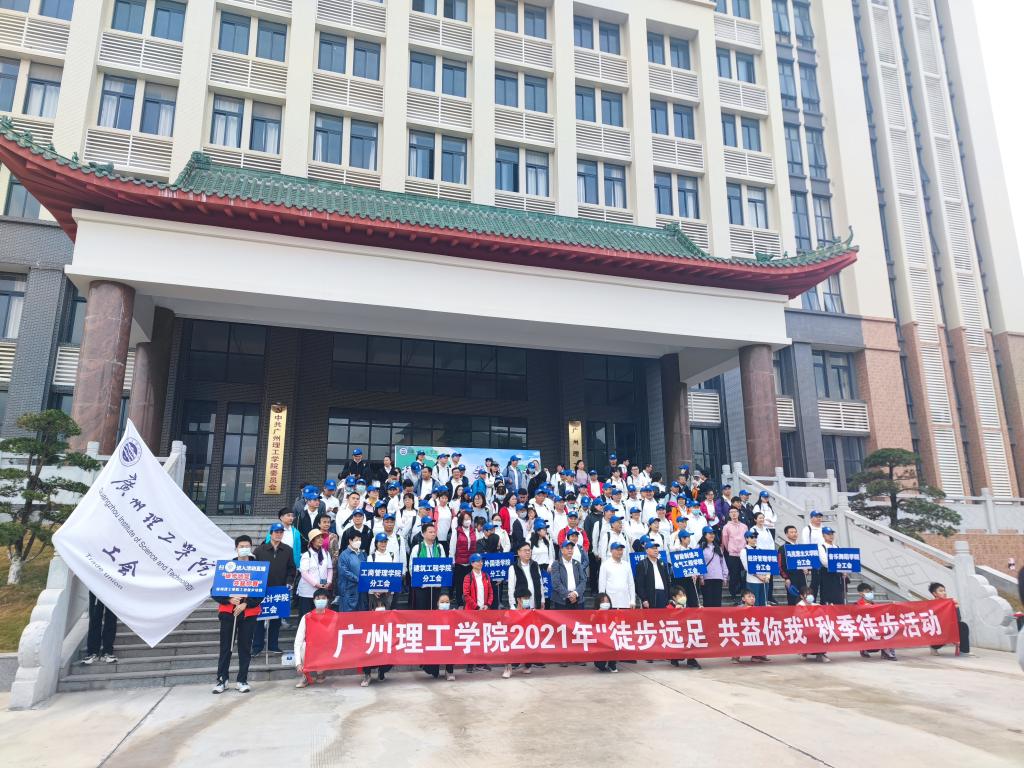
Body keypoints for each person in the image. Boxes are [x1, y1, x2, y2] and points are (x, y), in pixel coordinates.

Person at [213, 536, 263, 694]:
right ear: (236, 548)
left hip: (248, 614)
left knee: (245, 647)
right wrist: (228, 599)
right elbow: (215, 591)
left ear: (251, 547)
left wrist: (246, 603)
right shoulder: (227, 567)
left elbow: (261, 591)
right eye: (241, 546)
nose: (244, 548)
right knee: (226, 647)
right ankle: (222, 679)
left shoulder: (258, 568)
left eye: (247, 546)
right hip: (229, 613)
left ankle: (242, 680)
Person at [252, 522, 296, 655]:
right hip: (262, 590)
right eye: (276, 532)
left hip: (279, 590)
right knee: (259, 619)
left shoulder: (287, 550)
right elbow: (254, 569)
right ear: (270, 533)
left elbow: (292, 569)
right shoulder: (260, 550)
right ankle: (257, 646)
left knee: (276, 619)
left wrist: (289, 582)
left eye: (281, 532)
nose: (278, 534)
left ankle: (273, 645)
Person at [504, 541, 544, 679]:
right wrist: (513, 606)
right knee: (518, 635)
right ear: (519, 552)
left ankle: (528, 664)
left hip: (534, 605)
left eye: (529, 550)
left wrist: (542, 600)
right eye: (525, 550)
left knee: (531, 634)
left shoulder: (535, 565)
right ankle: (513, 664)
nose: (528, 552)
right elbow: (511, 588)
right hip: (520, 606)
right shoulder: (513, 568)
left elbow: (540, 583)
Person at [295, 588, 332, 688]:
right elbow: (298, 641)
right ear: (314, 600)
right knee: (303, 646)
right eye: (318, 598)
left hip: (326, 648)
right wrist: (298, 663)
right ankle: (305, 676)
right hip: (311, 648)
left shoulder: (333, 616)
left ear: (328, 600)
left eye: (323, 598)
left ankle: (321, 673)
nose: (320, 601)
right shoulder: (306, 617)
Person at [409, 520, 446, 609]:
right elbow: (411, 566)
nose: (433, 534)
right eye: (430, 532)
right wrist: (418, 581)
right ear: (423, 534)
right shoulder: (417, 548)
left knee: (434, 609)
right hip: (421, 586)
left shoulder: (439, 547)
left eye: (434, 532)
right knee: (422, 610)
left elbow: (444, 565)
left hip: (436, 584)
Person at [856, 583, 897, 661]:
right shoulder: (856, 605)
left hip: (876, 626)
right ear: (861, 593)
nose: (870, 593)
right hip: (865, 628)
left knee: (889, 629)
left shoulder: (875, 604)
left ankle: (886, 652)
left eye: (870, 591)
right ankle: (864, 649)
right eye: (867, 591)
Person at [297, 530, 333, 619]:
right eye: (318, 538)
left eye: (321, 537)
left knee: (320, 617)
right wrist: (316, 584)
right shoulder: (307, 555)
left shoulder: (326, 553)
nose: (321, 539)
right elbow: (304, 573)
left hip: (321, 591)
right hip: (307, 592)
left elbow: (329, 569)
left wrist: (328, 581)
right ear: (312, 541)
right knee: (306, 616)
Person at [928, 582, 971, 655]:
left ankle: (964, 650)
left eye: (944, 590)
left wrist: (956, 608)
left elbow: (958, 619)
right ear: (934, 593)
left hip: (949, 626)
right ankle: (933, 647)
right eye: (941, 591)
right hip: (938, 629)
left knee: (963, 625)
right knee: (940, 633)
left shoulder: (950, 602)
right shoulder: (931, 604)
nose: (944, 593)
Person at [422, 593, 457, 682]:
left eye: (447, 602)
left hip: (449, 642)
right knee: (432, 672)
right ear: (438, 603)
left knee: (452, 646)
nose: (445, 604)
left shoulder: (453, 614)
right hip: (436, 643)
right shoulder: (433, 614)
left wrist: (456, 615)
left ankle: (449, 671)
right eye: (442, 602)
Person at [668, 585, 702, 669]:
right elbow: (668, 619)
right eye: (680, 595)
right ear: (674, 597)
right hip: (676, 633)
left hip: (687, 632)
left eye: (684, 595)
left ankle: (691, 660)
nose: (683, 597)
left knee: (694, 636)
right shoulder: (669, 606)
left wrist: (700, 611)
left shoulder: (687, 606)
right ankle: (674, 657)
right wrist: (676, 611)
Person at [732, 589, 770, 664]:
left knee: (763, 633)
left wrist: (768, 610)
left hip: (753, 630)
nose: (752, 598)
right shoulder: (738, 608)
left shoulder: (757, 608)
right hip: (742, 630)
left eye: (753, 597)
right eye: (749, 597)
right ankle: (735, 657)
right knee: (736, 636)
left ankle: (757, 656)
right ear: (743, 599)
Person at [721, 507, 748, 603]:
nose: (733, 514)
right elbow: (725, 540)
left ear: (738, 513)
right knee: (734, 575)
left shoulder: (744, 526)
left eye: (735, 512)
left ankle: (744, 594)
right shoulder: (726, 527)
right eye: (731, 512)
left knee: (744, 575)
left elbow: (747, 538)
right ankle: (733, 594)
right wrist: (730, 549)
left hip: (743, 554)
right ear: (729, 514)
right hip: (732, 554)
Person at [366, 532, 400, 609]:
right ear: (376, 543)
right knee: (374, 613)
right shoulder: (371, 557)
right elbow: (369, 576)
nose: (383, 544)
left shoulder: (392, 556)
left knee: (388, 613)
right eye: (381, 542)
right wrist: (375, 591)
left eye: (385, 542)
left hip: (388, 591)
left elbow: (395, 574)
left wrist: (387, 590)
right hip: (374, 592)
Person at [635, 539, 672, 609]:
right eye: (652, 548)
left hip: (663, 595)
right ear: (647, 551)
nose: (655, 550)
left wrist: (669, 597)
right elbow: (639, 584)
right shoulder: (642, 564)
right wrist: (644, 599)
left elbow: (667, 581)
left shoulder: (662, 563)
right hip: (650, 597)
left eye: (656, 548)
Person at [82, 593, 118, 665]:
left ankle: (108, 652)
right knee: (94, 618)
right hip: (97, 588)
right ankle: (93, 652)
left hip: (113, 589)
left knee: (111, 619)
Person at [796, 587, 829, 663]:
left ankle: (820, 653)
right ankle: (806, 651)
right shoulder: (799, 605)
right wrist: (813, 612)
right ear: (801, 596)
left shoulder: (816, 605)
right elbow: (801, 618)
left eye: (810, 594)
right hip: (804, 629)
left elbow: (823, 615)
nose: (809, 596)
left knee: (824, 632)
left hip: (816, 627)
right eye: (807, 594)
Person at [550, 539, 585, 609]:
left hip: (577, 599)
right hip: (561, 601)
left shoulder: (577, 563)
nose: (570, 550)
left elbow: (583, 580)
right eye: (567, 548)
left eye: (571, 548)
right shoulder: (556, 564)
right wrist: (569, 595)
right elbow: (556, 583)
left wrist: (575, 593)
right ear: (562, 550)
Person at [778, 524, 807, 606]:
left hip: (802, 577)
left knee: (803, 599)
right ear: (786, 534)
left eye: (795, 532)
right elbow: (779, 565)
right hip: (791, 578)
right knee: (793, 600)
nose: (794, 534)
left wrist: (807, 569)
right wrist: (786, 578)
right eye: (791, 532)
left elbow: (805, 561)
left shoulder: (800, 547)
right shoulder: (783, 548)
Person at [740, 530, 770, 606]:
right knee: (753, 603)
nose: (754, 538)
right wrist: (759, 576)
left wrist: (767, 576)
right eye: (752, 537)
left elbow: (768, 564)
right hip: (753, 580)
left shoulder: (760, 550)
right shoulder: (744, 551)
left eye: (755, 537)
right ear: (747, 539)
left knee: (764, 602)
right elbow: (747, 567)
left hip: (764, 580)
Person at [336, 532, 366, 612]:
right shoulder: (344, 555)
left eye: (360, 540)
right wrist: (357, 579)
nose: (358, 542)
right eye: (356, 540)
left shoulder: (362, 554)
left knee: (360, 613)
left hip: (361, 589)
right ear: (350, 541)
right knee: (348, 614)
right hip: (348, 589)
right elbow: (344, 572)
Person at [817, 527, 847, 606]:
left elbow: (842, 560)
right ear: (823, 535)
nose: (831, 536)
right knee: (827, 595)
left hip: (837, 574)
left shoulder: (837, 547)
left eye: (832, 534)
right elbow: (824, 562)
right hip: (826, 574)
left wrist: (843, 571)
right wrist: (837, 565)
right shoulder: (821, 547)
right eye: (828, 534)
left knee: (838, 595)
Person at [700, 527, 727, 608]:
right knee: (707, 601)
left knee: (717, 602)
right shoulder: (700, 547)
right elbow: (699, 563)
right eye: (710, 533)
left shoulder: (717, 547)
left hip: (718, 577)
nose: (712, 535)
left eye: (713, 533)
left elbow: (723, 563)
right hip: (706, 578)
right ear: (705, 535)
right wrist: (701, 577)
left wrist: (725, 576)